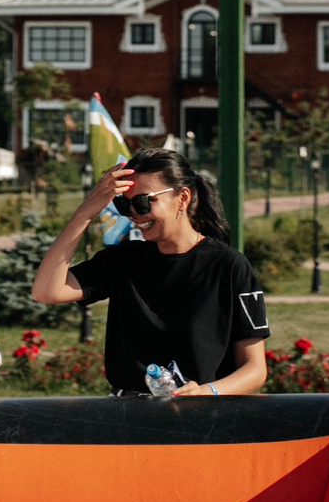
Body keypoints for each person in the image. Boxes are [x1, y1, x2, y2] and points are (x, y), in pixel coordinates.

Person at [32, 149, 270, 396]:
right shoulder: (124, 258)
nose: (134, 214)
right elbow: (46, 291)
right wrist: (86, 211)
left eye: (143, 202)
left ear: (183, 198)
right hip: (128, 420)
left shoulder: (229, 265)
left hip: (199, 419)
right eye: (124, 204)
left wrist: (207, 392)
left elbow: (254, 369)